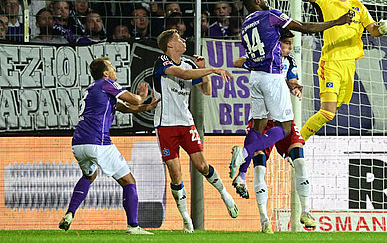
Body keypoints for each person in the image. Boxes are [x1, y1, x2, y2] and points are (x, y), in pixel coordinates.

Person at [228, 0, 353, 233]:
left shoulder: (245, 25)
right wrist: (336, 22)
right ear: (257, 2)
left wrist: (291, 84)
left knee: (259, 124)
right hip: (271, 77)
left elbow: (246, 58)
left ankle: (243, 174)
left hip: (254, 79)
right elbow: (304, 27)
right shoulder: (269, 14)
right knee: (285, 128)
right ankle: (244, 153)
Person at [58, 57, 159, 234]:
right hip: (99, 142)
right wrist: (141, 96)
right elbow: (134, 100)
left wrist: (148, 107)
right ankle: (133, 226)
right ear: (105, 73)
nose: (114, 69)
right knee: (129, 181)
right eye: (111, 67)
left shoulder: (93, 89)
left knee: (89, 176)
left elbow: (126, 107)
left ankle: (70, 213)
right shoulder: (107, 83)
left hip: (79, 143)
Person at [153, 29, 238, 233]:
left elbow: (206, 91)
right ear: (170, 45)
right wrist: (212, 70)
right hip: (165, 125)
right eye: (178, 39)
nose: (183, 40)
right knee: (176, 173)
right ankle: (186, 219)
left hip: (186, 123)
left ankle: (225, 194)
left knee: (201, 165)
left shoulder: (190, 64)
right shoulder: (162, 61)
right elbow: (181, 74)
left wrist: (202, 70)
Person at [300, 0, 387, 141]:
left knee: (333, 111)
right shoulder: (327, 2)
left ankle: (296, 141)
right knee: (327, 112)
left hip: (349, 65)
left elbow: (372, 29)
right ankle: (296, 142)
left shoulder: (358, 5)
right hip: (332, 63)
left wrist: (381, 29)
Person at [230, 29, 309, 234]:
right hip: (265, 119)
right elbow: (238, 62)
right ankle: (265, 220)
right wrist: (254, 64)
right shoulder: (263, 55)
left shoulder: (289, 61)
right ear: (276, 42)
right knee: (261, 169)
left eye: (291, 43)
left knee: (299, 160)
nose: (289, 47)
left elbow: (292, 80)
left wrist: (295, 87)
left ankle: (306, 210)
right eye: (286, 43)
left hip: (283, 116)